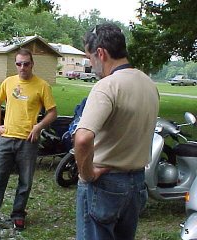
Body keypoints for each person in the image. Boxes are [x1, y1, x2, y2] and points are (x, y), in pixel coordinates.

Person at [74, 23, 159, 240]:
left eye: (89, 57)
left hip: (105, 184)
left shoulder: (107, 86)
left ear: (100, 53)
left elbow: (82, 138)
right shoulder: (149, 84)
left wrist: (86, 174)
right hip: (137, 184)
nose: (90, 64)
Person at [0, 48, 57, 235]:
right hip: (6, 138)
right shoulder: (9, 82)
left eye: (26, 63)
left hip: (28, 140)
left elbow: (52, 112)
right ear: (15, 64)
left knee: (25, 182)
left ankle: (18, 214)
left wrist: (38, 127)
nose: (22, 67)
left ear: (32, 64)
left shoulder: (42, 85)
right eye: (19, 64)